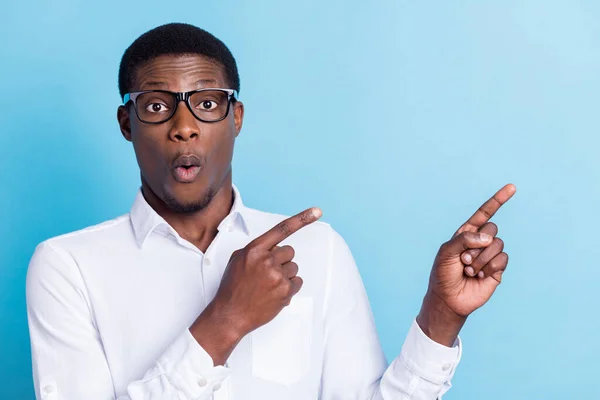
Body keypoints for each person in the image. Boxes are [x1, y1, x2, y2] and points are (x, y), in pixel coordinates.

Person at [26, 22, 516, 400]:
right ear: (126, 123)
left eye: (207, 103)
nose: (184, 127)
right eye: (156, 106)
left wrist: (440, 319)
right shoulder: (68, 267)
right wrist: (225, 323)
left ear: (235, 118)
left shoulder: (316, 249)